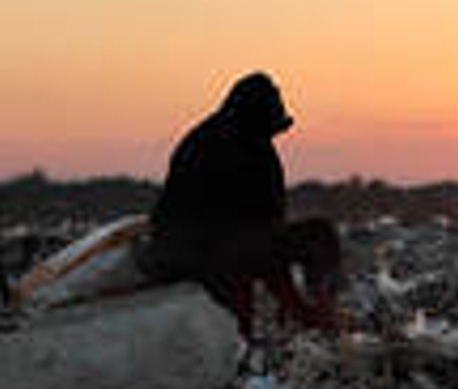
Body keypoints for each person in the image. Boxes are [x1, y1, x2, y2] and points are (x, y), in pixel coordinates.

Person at [137, 72, 341, 336]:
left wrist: (294, 304)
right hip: (198, 253)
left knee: (250, 252)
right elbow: (260, 243)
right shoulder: (238, 148)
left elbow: (263, 236)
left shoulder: (214, 136)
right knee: (318, 235)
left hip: (183, 249)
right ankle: (319, 314)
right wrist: (299, 308)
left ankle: (307, 314)